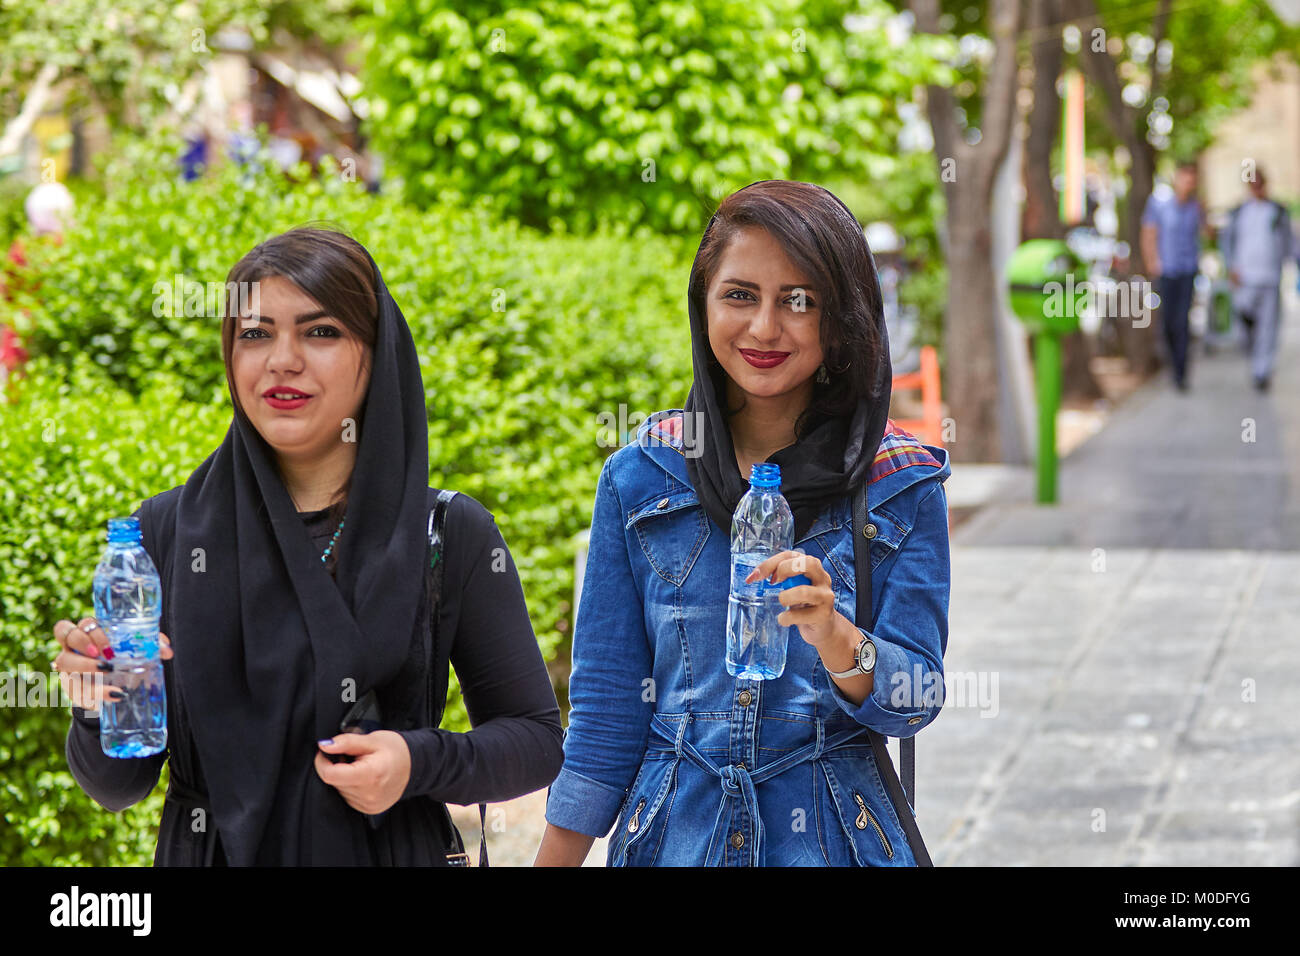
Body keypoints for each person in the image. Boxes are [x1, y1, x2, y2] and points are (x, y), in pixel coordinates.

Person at [55, 227, 563, 865]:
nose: (281, 360)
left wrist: (416, 761)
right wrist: (97, 707)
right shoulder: (169, 533)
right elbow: (119, 786)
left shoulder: (445, 533)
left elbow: (538, 742)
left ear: (377, 354)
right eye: (255, 334)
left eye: (320, 332)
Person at [535, 181, 951, 866]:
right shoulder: (643, 476)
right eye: (739, 295)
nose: (764, 328)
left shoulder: (900, 481)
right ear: (703, 305)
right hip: (674, 840)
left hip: (834, 844)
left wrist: (837, 636)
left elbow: (919, 696)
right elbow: (608, 716)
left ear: (841, 318)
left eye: (798, 301)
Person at [1219, 169, 1297, 392]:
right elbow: (1227, 242)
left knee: (1269, 327)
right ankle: (1254, 354)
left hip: (1270, 276)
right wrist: (1231, 266)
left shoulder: (1277, 211)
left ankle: (1262, 370)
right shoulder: (1238, 212)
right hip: (1245, 277)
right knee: (1245, 317)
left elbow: (1289, 242)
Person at [1141, 160, 1206, 392]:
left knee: (1182, 321)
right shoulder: (1159, 204)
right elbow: (1149, 234)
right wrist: (1152, 262)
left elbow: (1203, 234)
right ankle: (1171, 364)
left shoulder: (1195, 207)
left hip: (1187, 269)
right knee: (1168, 322)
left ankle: (1181, 372)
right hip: (1167, 270)